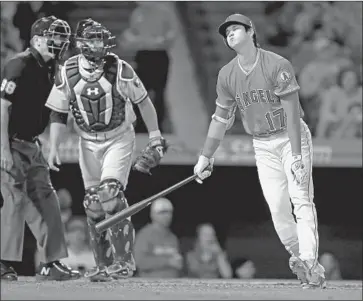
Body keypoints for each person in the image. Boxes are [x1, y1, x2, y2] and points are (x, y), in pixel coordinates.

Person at [193, 14, 326, 289]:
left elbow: (291, 114)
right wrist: (206, 156)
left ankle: (311, 264)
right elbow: (220, 119)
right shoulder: (227, 74)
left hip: (291, 138)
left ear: (251, 31)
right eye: (226, 32)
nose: (229, 34)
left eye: (235, 29)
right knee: (278, 208)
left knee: (301, 199)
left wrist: (298, 156)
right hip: (263, 144)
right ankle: (301, 260)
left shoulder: (277, 64)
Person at [45, 19, 168, 282]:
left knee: (110, 194)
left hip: (118, 138)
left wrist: (156, 136)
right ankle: (102, 265)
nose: (99, 45)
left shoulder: (119, 68)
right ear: (81, 43)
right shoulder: (66, 71)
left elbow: (143, 102)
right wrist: (53, 147)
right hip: (87, 141)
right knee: (93, 204)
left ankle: (124, 262)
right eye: (93, 40)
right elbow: (58, 112)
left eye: (101, 40)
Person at [0, 16, 80, 281]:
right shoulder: (18, 64)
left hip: (31, 144)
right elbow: (2, 108)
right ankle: (2, 263)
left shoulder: (54, 68)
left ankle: (51, 263)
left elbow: (55, 111)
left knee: (47, 200)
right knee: (13, 200)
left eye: (61, 38)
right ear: (36, 40)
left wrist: (50, 145)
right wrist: (2, 149)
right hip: (9, 141)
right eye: (53, 37)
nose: (59, 42)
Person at [121, 1, 177, 133]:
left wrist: (162, 40)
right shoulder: (137, 14)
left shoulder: (164, 13)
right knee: (140, 91)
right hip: (143, 55)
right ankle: (140, 124)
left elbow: (172, 33)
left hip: (159, 55)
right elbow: (133, 32)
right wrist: (129, 39)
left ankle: (158, 125)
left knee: (159, 92)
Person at [134, 198, 183, 278]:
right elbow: (140, 262)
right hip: (151, 285)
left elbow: (178, 263)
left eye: (169, 212)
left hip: (172, 285)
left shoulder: (173, 238)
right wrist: (168, 262)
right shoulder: (145, 235)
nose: (166, 216)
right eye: (162, 212)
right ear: (153, 214)